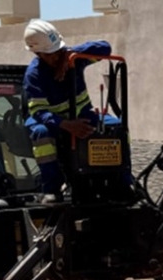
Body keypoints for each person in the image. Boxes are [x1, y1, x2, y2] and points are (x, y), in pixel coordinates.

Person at [22, 19, 120, 201]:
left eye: (58, 51)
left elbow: (105, 48)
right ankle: (52, 188)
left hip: (82, 115)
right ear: (37, 53)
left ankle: (122, 180)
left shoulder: (74, 59)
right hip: (52, 122)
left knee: (116, 127)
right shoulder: (34, 75)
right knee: (41, 134)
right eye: (50, 54)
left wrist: (71, 54)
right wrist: (66, 124)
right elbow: (39, 112)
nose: (56, 57)